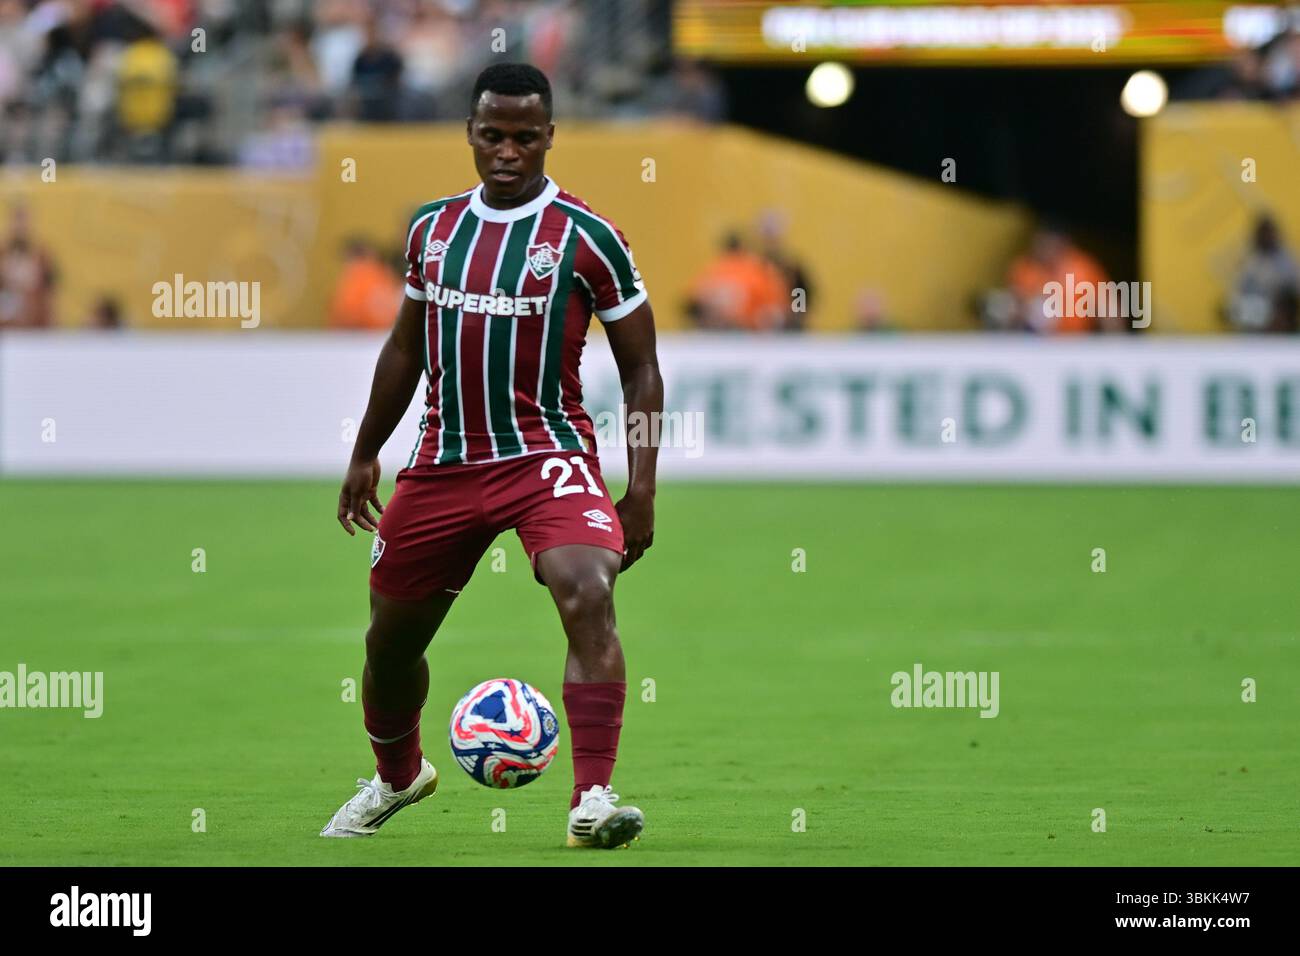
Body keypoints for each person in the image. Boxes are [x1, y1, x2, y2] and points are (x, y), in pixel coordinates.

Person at [323, 63, 662, 849]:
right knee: (390, 642)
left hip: (547, 455)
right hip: (444, 462)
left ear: (550, 136)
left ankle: (592, 798)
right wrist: (366, 451)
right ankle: (398, 775)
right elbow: (405, 349)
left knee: (587, 587)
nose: (508, 151)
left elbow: (643, 369)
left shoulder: (589, 237)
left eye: (525, 137)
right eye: (492, 135)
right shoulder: (433, 231)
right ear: (470, 135)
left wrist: (640, 488)